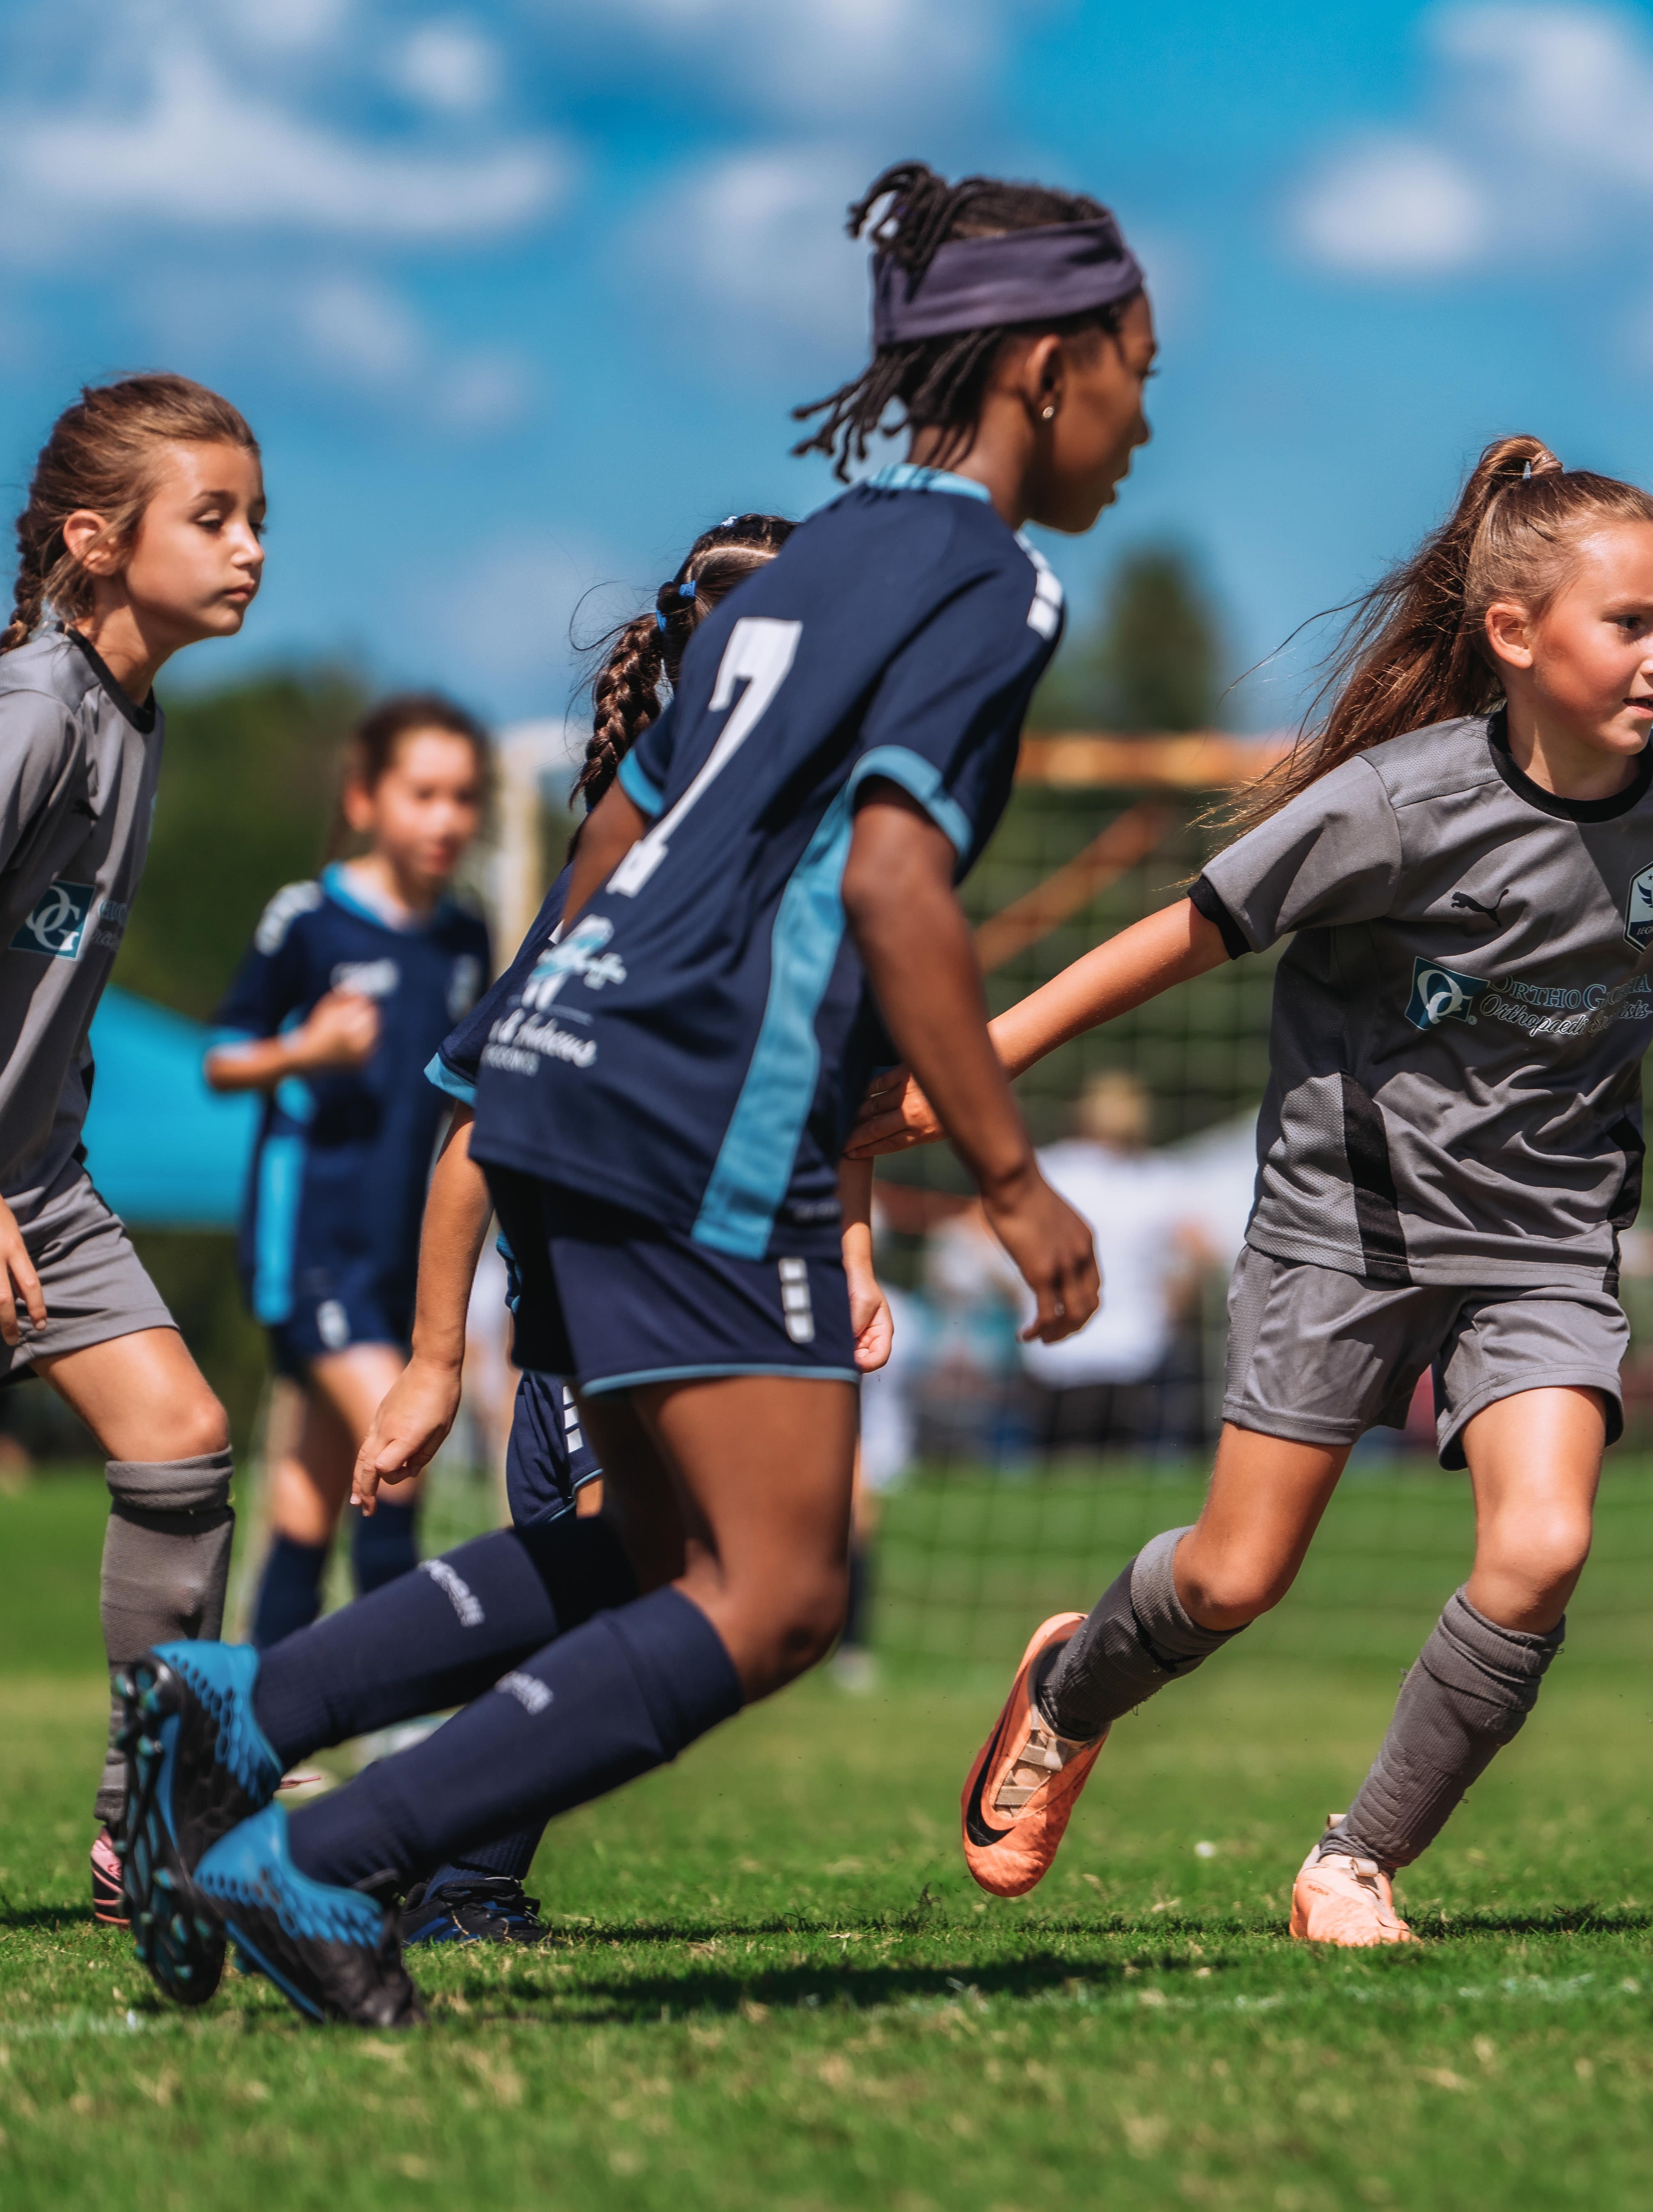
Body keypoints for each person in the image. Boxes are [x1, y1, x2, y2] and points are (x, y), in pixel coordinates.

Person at [117, 159, 1132, 2025]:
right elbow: (899, 877)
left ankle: (249, 1703)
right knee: (778, 1590)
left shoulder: (817, 554)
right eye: (1138, 367)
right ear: (1050, 366)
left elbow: (620, 819)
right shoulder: (994, 579)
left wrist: (548, 1030)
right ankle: (324, 1860)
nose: (1144, 416)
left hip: (564, 1063)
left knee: (653, 1549)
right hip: (700, 1099)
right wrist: (1011, 1171)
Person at [857, 432, 1653, 1945]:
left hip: (1549, 1238)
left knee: (1543, 1544)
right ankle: (1067, 1683)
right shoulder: (1391, 803)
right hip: (1344, 1229)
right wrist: (977, 1059)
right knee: (1235, 1575)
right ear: (1513, 635)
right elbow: (1183, 930)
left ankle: (1352, 1860)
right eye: (1628, 624)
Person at [359, 514, 800, 1943]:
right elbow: (475, 1133)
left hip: (678, 1319)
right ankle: (365, 1831)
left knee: (664, 1603)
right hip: (595, 1337)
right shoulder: (626, 880)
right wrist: (437, 1361)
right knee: (625, 1607)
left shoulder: (773, 865)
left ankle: (431, 1863)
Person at [0, 374, 263, 1927]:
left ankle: (145, 1832)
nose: (249, 550)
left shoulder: (133, 711)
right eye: (212, 517)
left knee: (178, 1437)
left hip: (40, 1177)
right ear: (98, 543)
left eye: (256, 519)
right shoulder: (35, 709)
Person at [206, 694, 491, 1649]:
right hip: (313, 1246)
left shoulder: (465, 937)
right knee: (404, 1449)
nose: (447, 817)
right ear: (366, 798)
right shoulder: (310, 920)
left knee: (314, 1494)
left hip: (400, 1258)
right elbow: (223, 1057)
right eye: (424, 793)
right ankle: (404, 1706)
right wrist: (308, 1048)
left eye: (465, 797)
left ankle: (252, 1717)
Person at [997, 1069, 1212, 1455]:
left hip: (1068, 1339)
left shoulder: (1051, 1168)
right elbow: (1202, 1251)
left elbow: (978, 1232)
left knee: (1061, 1461)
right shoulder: (1158, 1177)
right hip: (1129, 1344)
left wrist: (1019, 1289)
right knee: (1115, 1463)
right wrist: (1175, 1301)